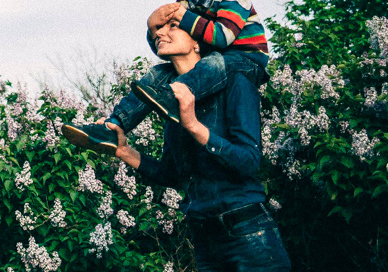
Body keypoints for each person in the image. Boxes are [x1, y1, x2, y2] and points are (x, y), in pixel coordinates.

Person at [108, 17, 291, 272]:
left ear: (197, 41)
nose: (160, 32)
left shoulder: (235, 82)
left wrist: (194, 126)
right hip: (204, 239)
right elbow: (173, 173)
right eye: (155, 31)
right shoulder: (168, 98)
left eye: (172, 26)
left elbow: (249, 161)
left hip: (248, 234)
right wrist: (125, 152)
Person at [63, 0, 269, 151]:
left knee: (216, 61)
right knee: (159, 73)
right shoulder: (184, 3)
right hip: (213, 63)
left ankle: (174, 97)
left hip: (247, 61)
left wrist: (183, 17)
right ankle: (114, 126)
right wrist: (152, 26)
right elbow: (165, 43)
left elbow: (222, 37)